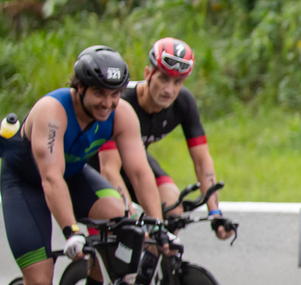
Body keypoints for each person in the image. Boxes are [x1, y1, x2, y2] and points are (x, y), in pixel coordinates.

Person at [0, 45, 169, 285]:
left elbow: (139, 172)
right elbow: (50, 177)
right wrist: (71, 230)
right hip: (27, 184)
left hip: (73, 178)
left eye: (114, 94)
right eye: (99, 95)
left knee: (122, 222)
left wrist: (157, 223)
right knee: (39, 282)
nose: (107, 103)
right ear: (79, 89)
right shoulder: (52, 112)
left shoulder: (121, 113)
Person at [90, 37, 234, 239]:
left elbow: (202, 161)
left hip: (134, 159)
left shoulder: (183, 102)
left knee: (173, 210)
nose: (169, 90)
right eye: (163, 79)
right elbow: (109, 168)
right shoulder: (121, 103)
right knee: (117, 232)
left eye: (178, 82)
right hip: (97, 165)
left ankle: (153, 264)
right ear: (148, 74)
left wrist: (215, 213)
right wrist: (127, 215)